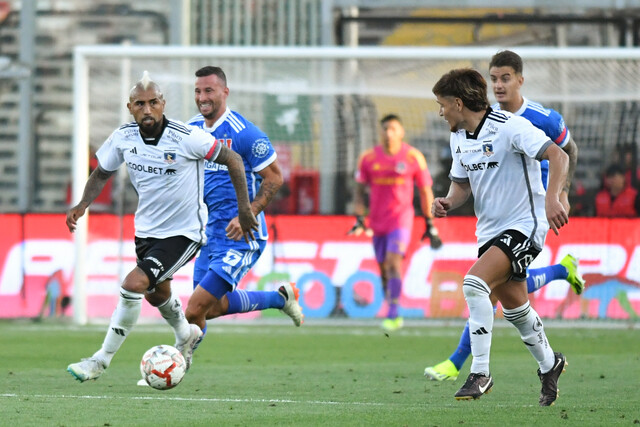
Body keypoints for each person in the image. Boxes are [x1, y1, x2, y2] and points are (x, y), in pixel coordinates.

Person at [66, 71, 258, 382]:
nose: (147, 109)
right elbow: (102, 172)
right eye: (140, 104)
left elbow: (234, 160)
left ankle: (99, 361)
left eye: (153, 102)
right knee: (157, 294)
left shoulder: (187, 137)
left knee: (134, 284)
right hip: (146, 231)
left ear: (162, 104)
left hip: (184, 233)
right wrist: (81, 204)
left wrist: (245, 209)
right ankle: (186, 334)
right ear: (130, 107)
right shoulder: (123, 138)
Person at [424, 49, 585, 382]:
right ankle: (549, 362)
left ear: (520, 80)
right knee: (514, 305)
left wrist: (558, 195)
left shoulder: (526, 122)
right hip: (491, 226)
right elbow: (462, 186)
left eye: (505, 78)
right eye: (493, 78)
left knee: (477, 284)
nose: (498, 85)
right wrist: (448, 203)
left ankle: (474, 370)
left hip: (530, 217)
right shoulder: (462, 132)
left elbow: (564, 153)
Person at [183, 66, 303, 341]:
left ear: (225, 92)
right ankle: (279, 298)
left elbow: (274, 177)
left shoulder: (245, 133)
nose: (202, 97)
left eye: (209, 90)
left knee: (193, 310)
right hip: (208, 236)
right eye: (198, 91)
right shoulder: (190, 130)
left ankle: (176, 363)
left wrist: (248, 211)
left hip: (241, 236)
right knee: (210, 309)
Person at [350, 114, 442, 332]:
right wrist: (360, 217)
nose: (388, 133)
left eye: (393, 129)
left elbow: (425, 189)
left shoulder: (413, 157)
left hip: (401, 219)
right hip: (377, 221)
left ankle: (393, 312)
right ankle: (390, 305)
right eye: (385, 129)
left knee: (393, 262)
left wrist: (430, 222)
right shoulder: (368, 158)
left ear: (401, 132)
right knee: (383, 269)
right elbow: (359, 191)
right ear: (380, 132)